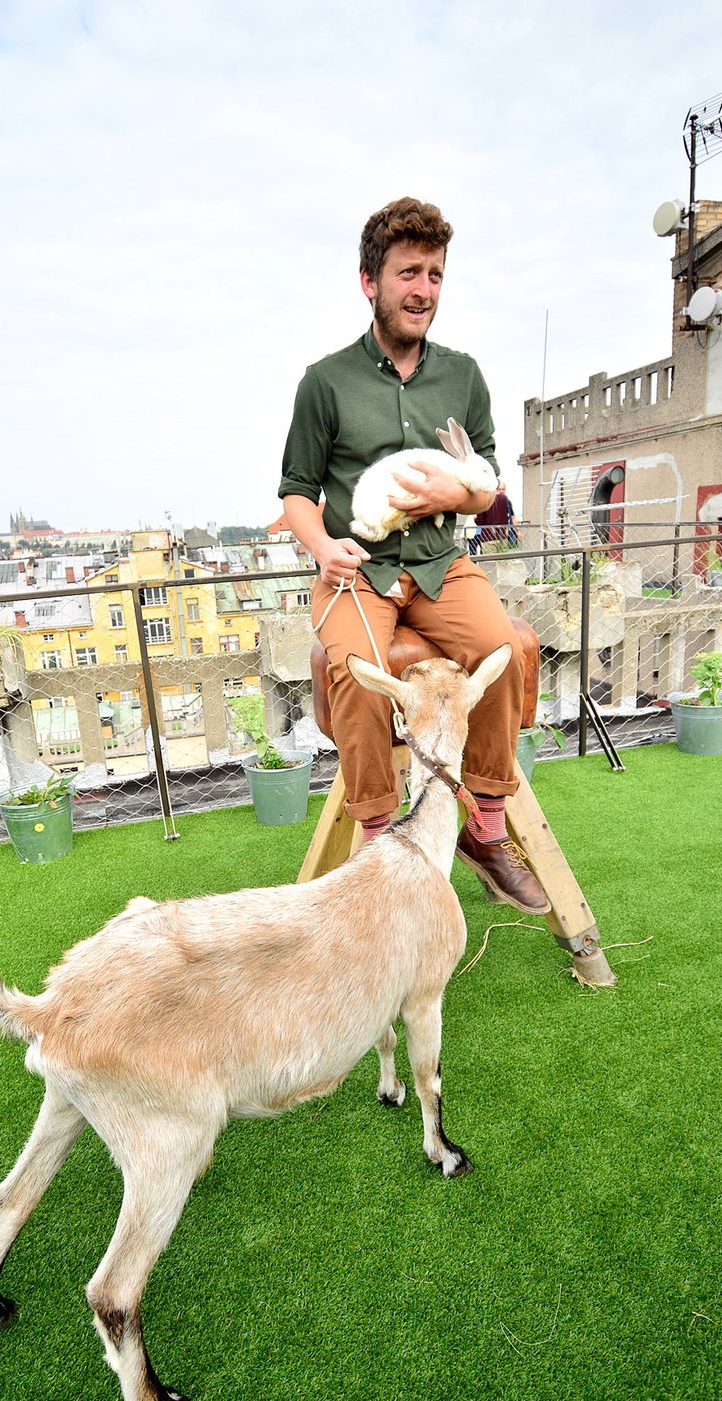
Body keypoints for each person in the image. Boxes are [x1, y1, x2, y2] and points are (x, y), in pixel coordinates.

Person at [278, 197, 548, 914]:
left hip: (439, 564)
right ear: (371, 282)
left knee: (499, 648)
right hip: (356, 572)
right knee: (362, 674)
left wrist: (448, 498)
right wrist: (321, 545)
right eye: (408, 273)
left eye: (434, 273)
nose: (423, 288)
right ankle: (375, 840)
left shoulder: (464, 376)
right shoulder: (324, 381)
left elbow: (488, 491)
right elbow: (297, 493)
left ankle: (486, 829)